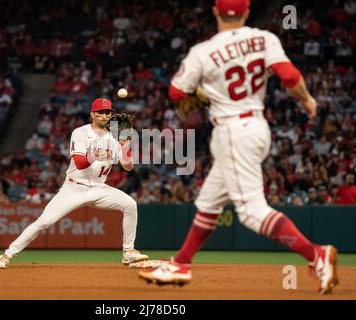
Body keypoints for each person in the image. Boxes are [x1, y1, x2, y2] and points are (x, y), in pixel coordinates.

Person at [139, 0, 338, 294]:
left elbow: (176, 92)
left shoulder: (203, 51)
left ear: (215, 11)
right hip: (256, 126)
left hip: (232, 130)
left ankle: (316, 255)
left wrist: (203, 91)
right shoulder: (265, 38)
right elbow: (289, 76)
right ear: (246, 12)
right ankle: (181, 263)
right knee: (208, 203)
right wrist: (307, 100)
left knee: (250, 211)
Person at [0, 98, 148, 268]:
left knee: (130, 205)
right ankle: (7, 255)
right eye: (101, 112)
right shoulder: (80, 133)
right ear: (92, 114)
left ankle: (129, 252)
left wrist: (125, 147)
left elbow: (128, 166)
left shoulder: (114, 138)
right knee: (44, 222)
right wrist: (94, 156)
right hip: (74, 188)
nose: (105, 116)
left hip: (98, 188)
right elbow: (80, 164)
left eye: (108, 113)